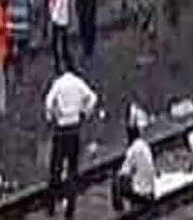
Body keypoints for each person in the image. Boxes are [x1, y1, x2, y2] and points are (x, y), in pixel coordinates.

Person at [44, 67, 100, 219]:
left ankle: (51, 205)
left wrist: (52, 117)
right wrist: (84, 112)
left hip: (61, 129)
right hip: (74, 129)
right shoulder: (78, 82)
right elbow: (93, 97)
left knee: (55, 168)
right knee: (72, 169)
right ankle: (70, 208)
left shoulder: (58, 84)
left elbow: (49, 103)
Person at [111, 107, 156, 212]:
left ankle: (119, 209)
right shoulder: (145, 146)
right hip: (150, 191)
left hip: (141, 194)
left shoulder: (133, 150)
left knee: (117, 179)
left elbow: (123, 173)